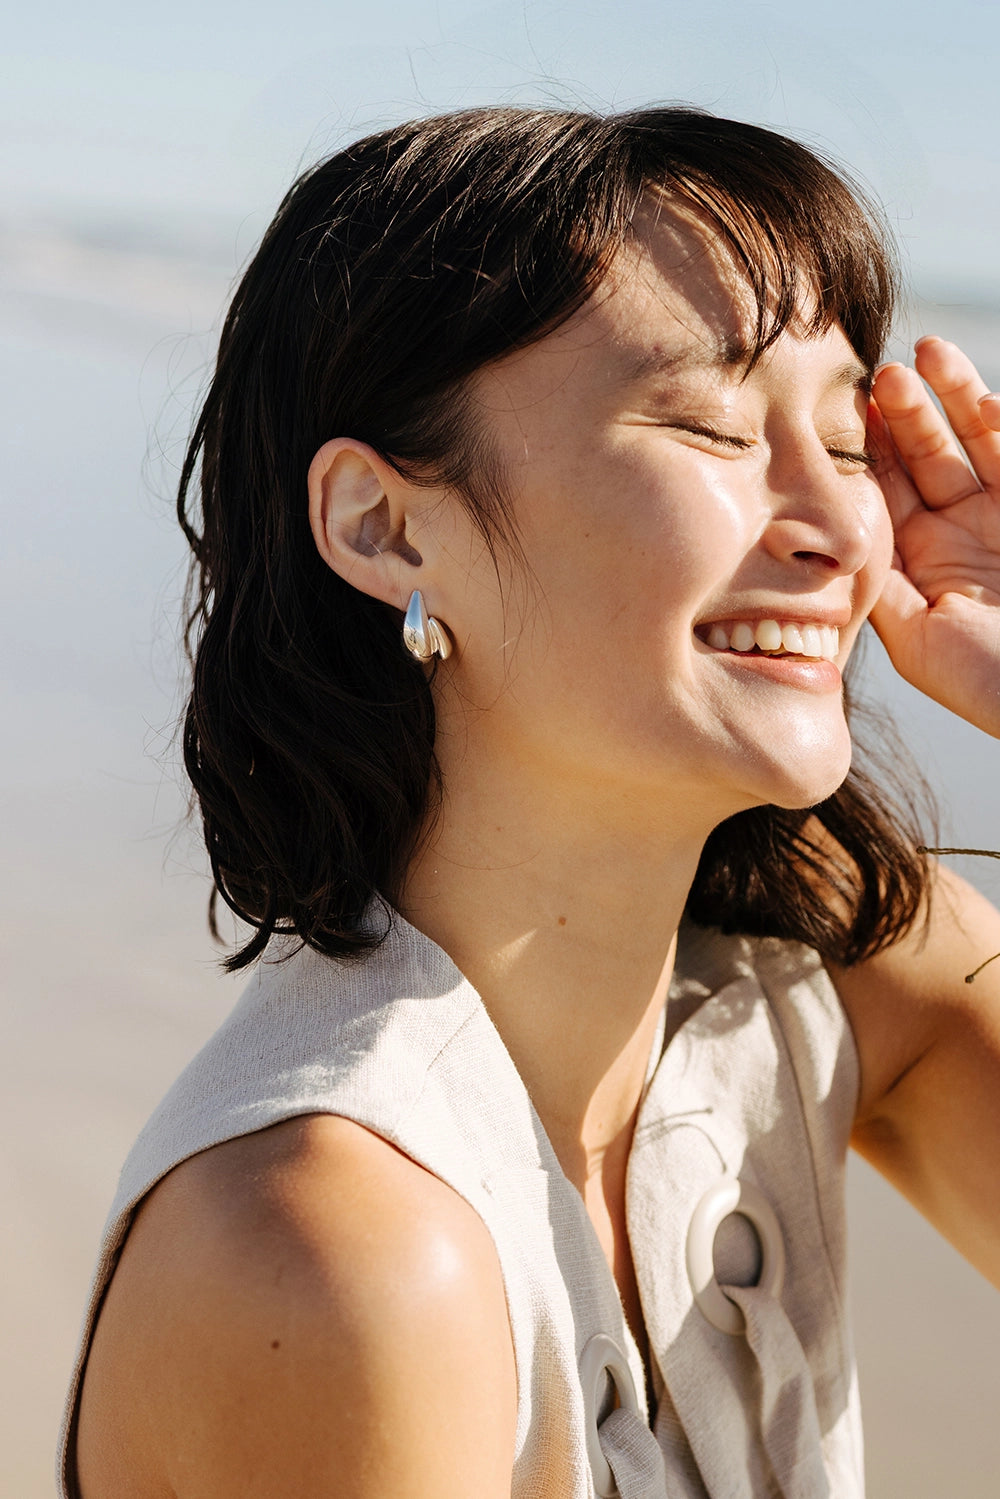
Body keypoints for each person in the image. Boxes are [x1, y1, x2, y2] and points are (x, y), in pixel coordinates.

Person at [61, 106, 1000, 1499]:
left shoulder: (830, 966)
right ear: (386, 526)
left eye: (849, 439)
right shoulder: (348, 1255)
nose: (836, 527)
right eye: (713, 424)